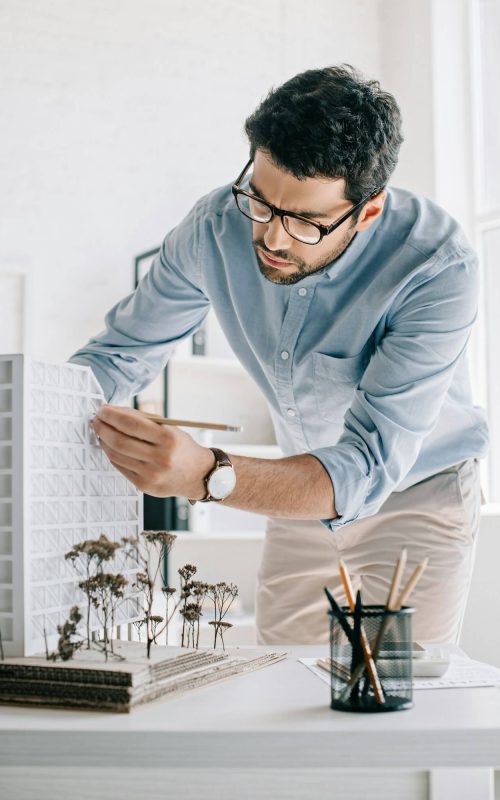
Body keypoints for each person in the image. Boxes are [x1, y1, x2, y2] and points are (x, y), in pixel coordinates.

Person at [71, 65, 488, 645]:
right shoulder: (214, 227)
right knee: (282, 691)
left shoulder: (437, 266)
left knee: (397, 702)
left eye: (306, 222)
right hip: (300, 488)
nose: (272, 237)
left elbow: (367, 465)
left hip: (416, 492)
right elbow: (119, 355)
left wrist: (206, 476)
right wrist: (32, 413)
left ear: (366, 211)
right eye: (262, 202)